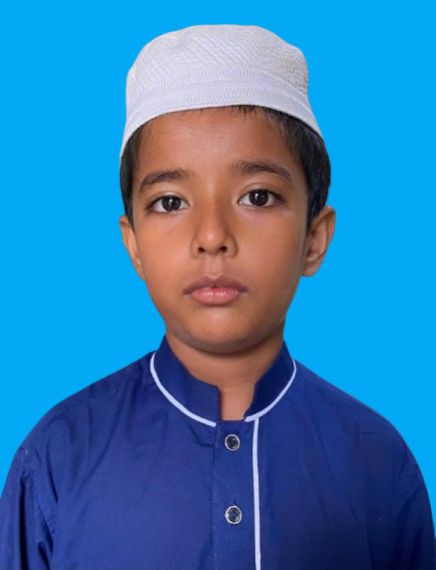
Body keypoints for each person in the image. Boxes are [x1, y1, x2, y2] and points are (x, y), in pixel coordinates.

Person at [0, 23, 434, 570]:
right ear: (133, 245)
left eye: (258, 196)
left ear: (314, 238)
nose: (211, 235)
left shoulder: (376, 460)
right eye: (170, 202)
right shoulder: (58, 457)